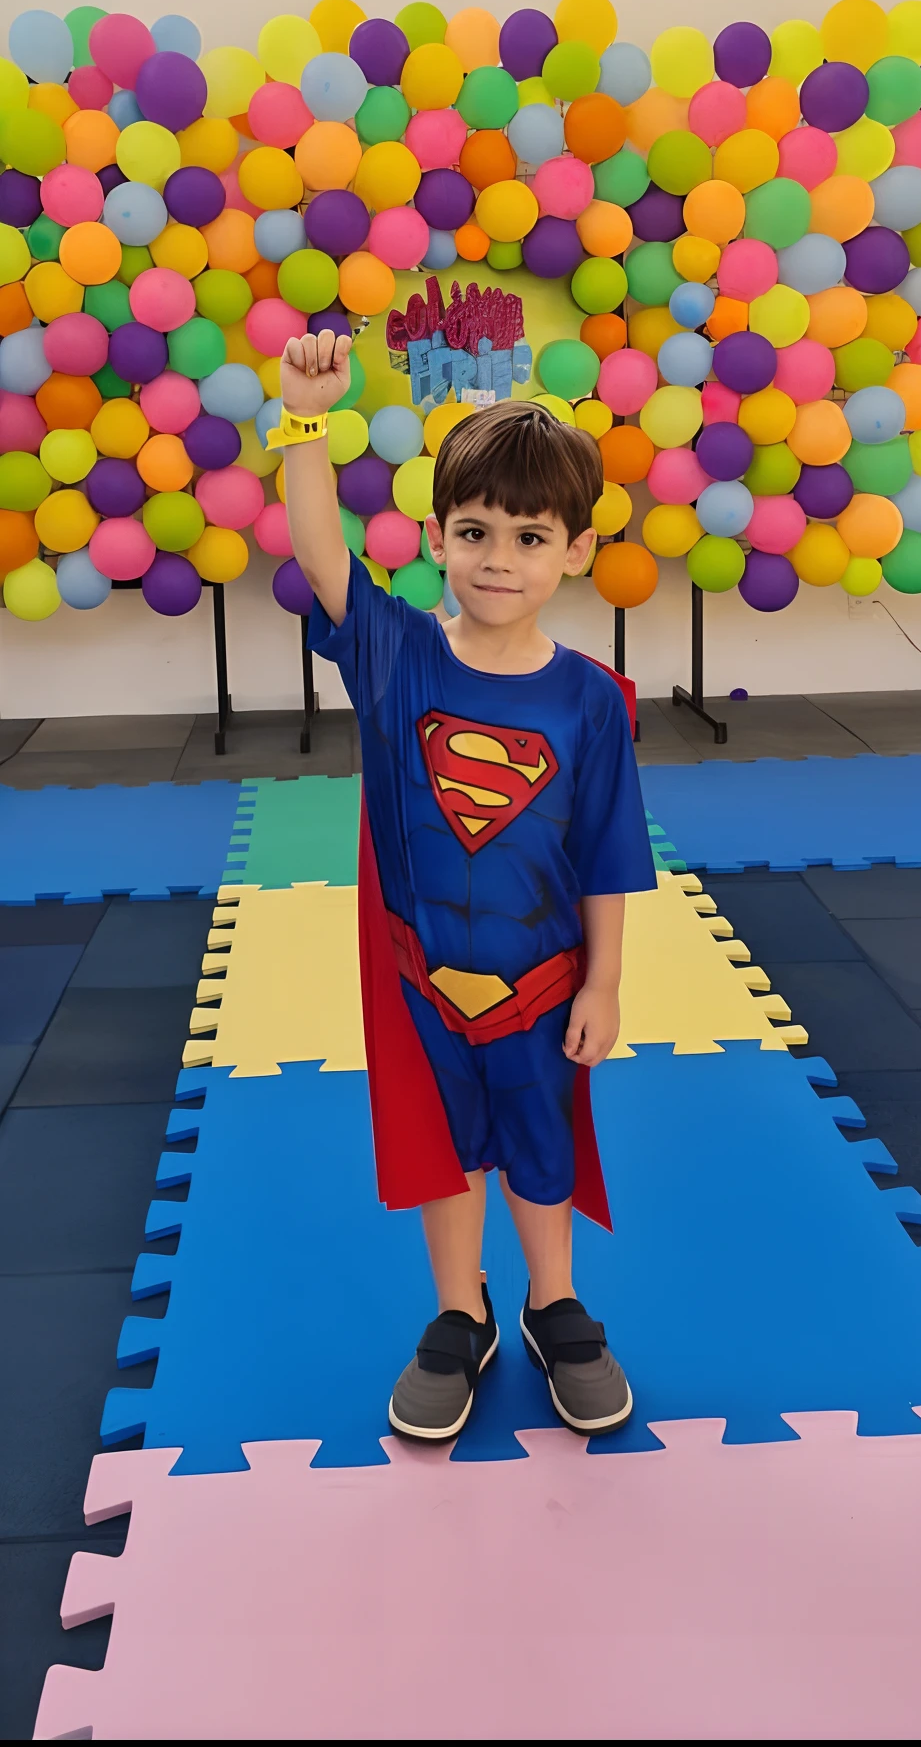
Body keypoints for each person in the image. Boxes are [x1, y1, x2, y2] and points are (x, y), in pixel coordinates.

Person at [279, 329, 655, 1443]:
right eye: (476, 531)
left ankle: (553, 1303)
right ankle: (459, 1310)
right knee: (446, 1145)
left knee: (541, 1142)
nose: (498, 557)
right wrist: (306, 421)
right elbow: (317, 553)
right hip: (421, 978)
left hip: (543, 985)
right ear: (437, 534)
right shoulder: (394, 656)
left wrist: (605, 983)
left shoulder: (593, 700)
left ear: (575, 551)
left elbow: (606, 851)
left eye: (529, 537)